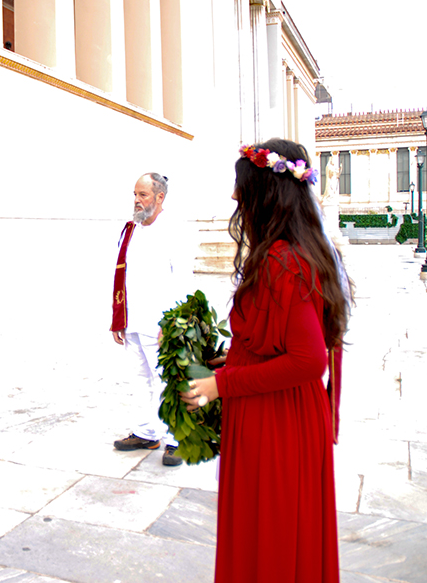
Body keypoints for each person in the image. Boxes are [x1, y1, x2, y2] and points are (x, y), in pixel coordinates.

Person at [181, 139, 352, 582]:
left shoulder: (284, 262)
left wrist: (223, 385)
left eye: (242, 188)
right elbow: (277, 342)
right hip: (278, 413)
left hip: (278, 421)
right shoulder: (293, 252)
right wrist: (228, 361)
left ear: (266, 194)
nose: (235, 197)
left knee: (270, 541)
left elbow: (307, 360)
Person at [110, 173, 194, 466]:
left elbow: (183, 281)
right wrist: (118, 317)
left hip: (160, 322)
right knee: (139, 379)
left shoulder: (174, 230)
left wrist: (173, 323)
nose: (136, 200)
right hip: (133, 319)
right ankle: (146, 432)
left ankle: (177, 439)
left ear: (160, 197)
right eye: (135, 194)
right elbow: (120, 274)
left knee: (168, 380)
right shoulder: (130, 229)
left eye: (143, 195)